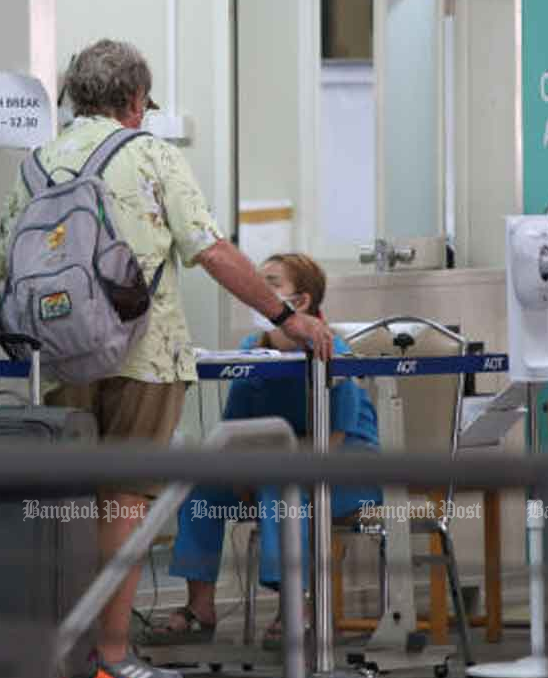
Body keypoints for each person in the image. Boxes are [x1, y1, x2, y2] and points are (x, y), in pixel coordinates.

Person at [0, 39, 334, 678]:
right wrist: (285, 316)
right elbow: (211, 252)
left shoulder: (39, 162)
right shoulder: (152, 155)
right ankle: (111, 657)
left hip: (58, 357)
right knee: (124, 503)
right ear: (135, 100)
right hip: (144, 355)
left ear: (75, 95)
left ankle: (66, 653)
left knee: (70, 506)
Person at [145, 252, 380, 650]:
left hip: (344, 466)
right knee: (200, 488)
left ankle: (297, 607)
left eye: (271, 284)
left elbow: (336, 436)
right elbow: (234, 430)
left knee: (278, 486)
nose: (257, 291)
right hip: (271, 464)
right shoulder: (251, 350)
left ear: (301, 302)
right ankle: (199, 607)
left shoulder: (330, 348)